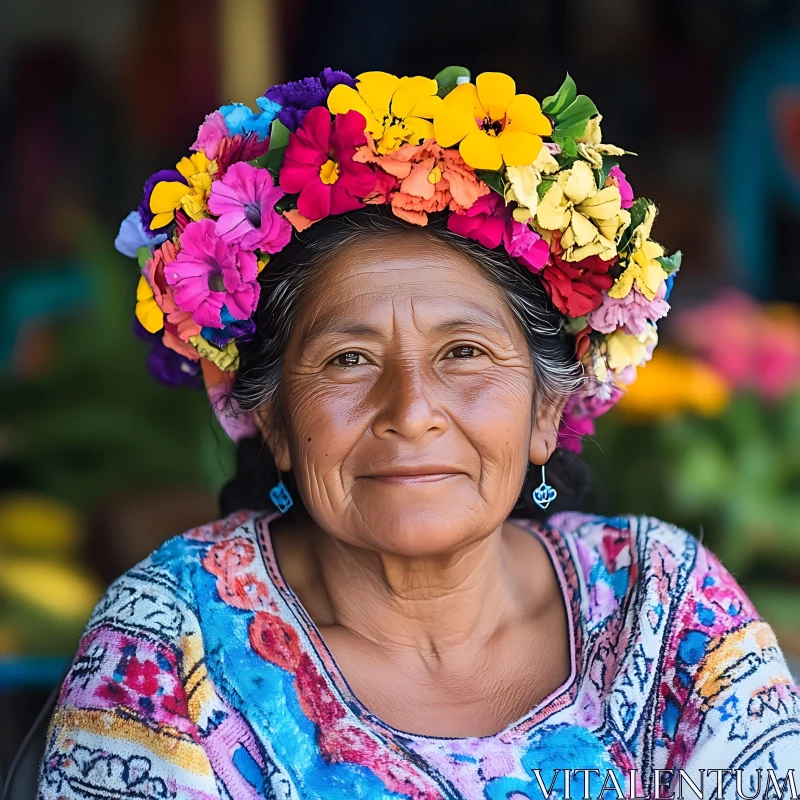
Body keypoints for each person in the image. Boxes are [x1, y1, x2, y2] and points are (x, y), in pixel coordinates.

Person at [38, 67, 800, 800]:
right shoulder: (171, 644)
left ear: (544, 414)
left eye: (463, 354)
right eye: (348, 359)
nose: (411, 410)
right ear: (271, 419)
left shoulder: (663, 604)